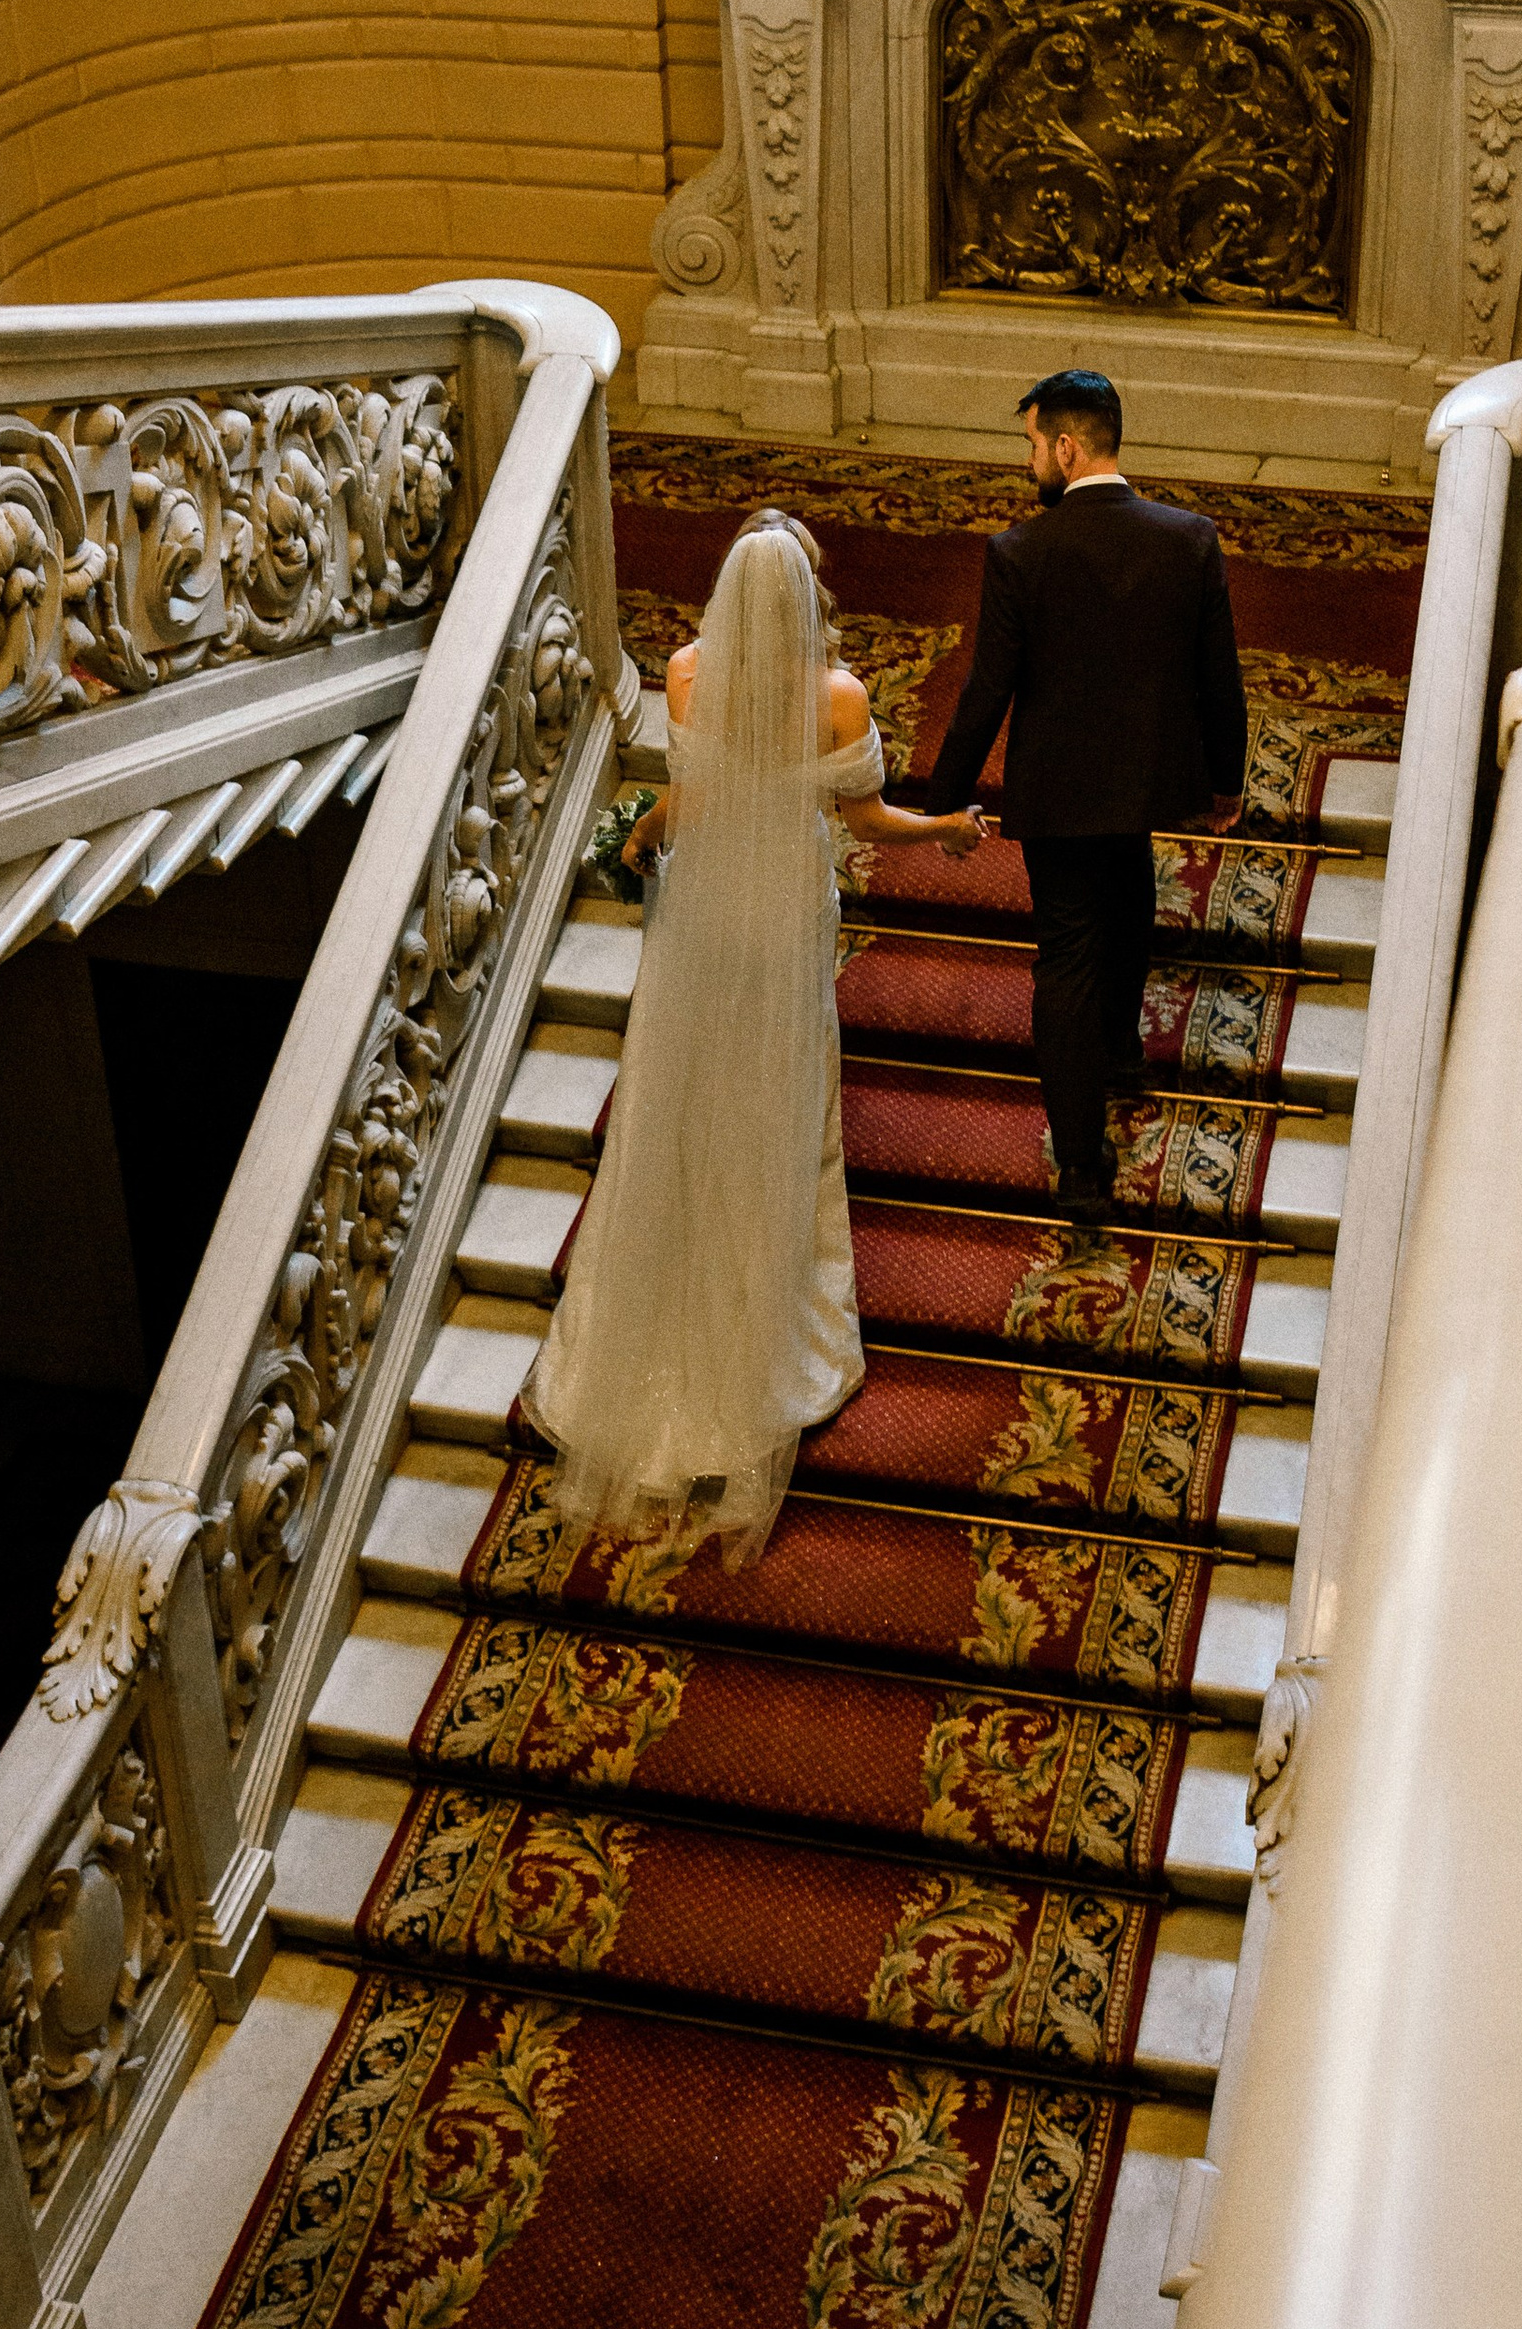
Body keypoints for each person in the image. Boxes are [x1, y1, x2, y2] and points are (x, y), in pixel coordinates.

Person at [522, 507, 985, 1561]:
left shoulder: (687, 674)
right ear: (809, 594)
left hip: (705, 915)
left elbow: (685, 800)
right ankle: (767, 1334)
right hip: (780, 916)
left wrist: (637, 837)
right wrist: (952, 829)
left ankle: (659, 1322)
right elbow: (867, 825)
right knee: (780, 1110)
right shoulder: (839, 698)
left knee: (683, 1101)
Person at [920, 371, 1246, 1229]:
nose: (1028, 461)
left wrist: (941, 798)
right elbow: (1220, 674)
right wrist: (1226, 779)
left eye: (1031, 444)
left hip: (1058, 787)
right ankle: (1121, 1048)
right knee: (1130, 886)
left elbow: (989, 685)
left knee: (1065, 953)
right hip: (1147, 777)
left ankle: (1078, 1167)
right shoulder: (1189, 538)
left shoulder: (1019, 551)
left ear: (1067, 446)